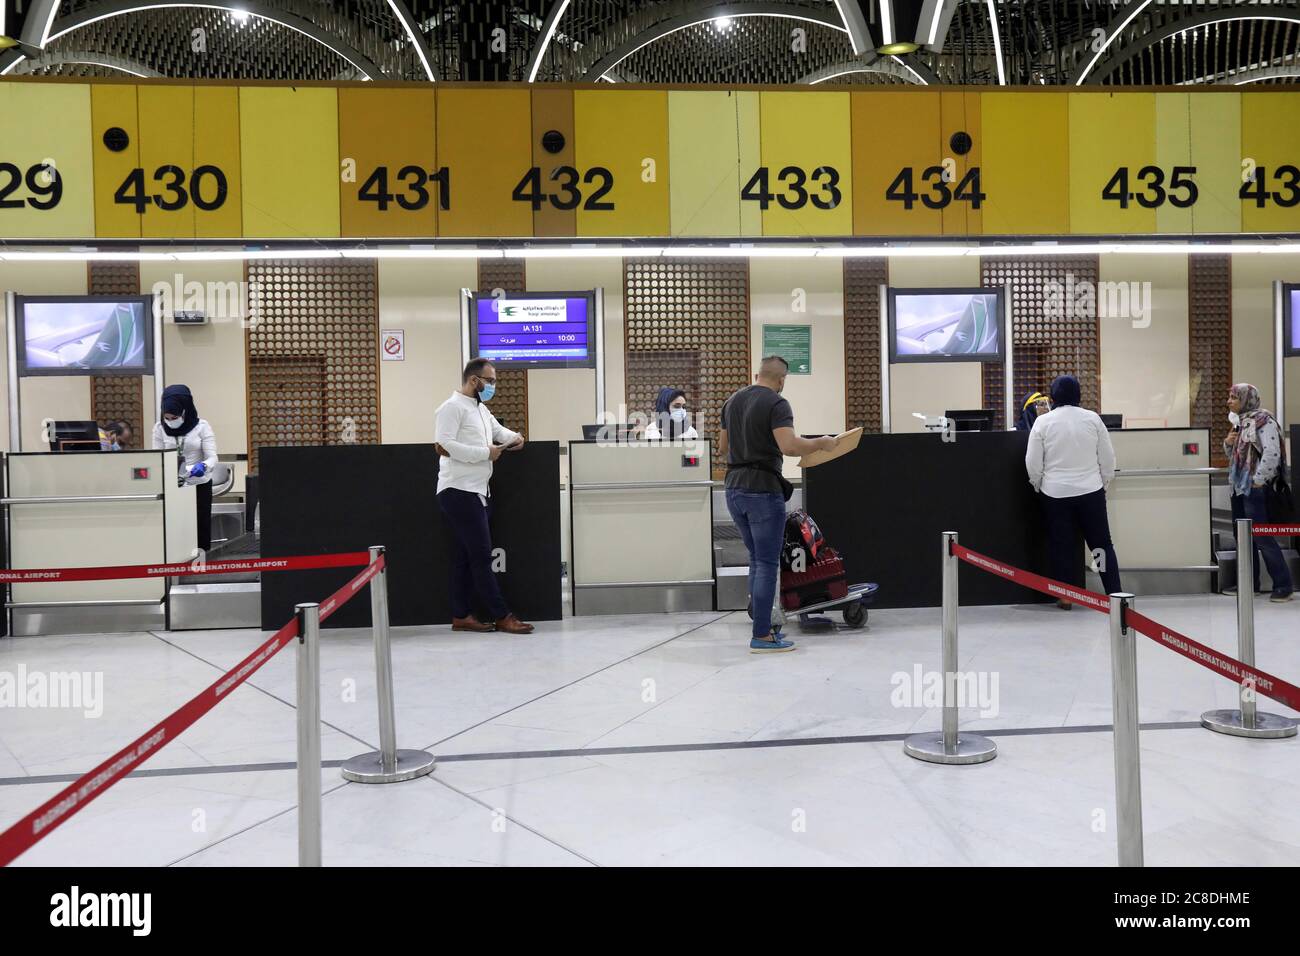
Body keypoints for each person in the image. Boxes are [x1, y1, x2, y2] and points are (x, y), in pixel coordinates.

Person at [720, 356, 837, 653]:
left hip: (733, 489)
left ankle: (766, 627)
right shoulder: (776, 403)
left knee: (756, 559)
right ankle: (762, 634)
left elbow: (723, 448)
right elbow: (789, 445)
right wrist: (820, 442)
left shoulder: (732, 401)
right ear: (782, 379)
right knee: (766, 562)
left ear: (758, 373)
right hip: (762, 490)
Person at [434, 358, 535, 634]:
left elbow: (498, 432)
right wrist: (484, 453)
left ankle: (461, 615)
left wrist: (516, 437)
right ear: (474, 380)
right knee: (480, 557)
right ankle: (502, 615)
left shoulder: (480, 409)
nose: (493, 386)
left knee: (465, 558)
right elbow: (443, 445)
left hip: (477, 491)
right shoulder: (451, 408)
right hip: (459, 492)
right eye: (489, 381)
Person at [1025, 374, 1121, 606]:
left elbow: (1033, 462)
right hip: (1091, 492)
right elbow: (1108, 458)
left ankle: (1065, 595)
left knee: (1061, 545)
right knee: (1101, 544)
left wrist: (1039, 484)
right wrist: (1104, 483)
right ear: (1078, 394)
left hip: (1055, 493)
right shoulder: (1092, 419)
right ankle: (1114, 594)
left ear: (1053, 395)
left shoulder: (1043, 422)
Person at [1224, 383, 1293, 602]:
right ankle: (1249, 584)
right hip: (1238, 487)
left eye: (1234, 398)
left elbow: (1272, 453)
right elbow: (1235, 454)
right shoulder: (1241, 423)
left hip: (1254, 489)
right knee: (1243, 537)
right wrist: (1228, 442)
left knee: (1262, 537)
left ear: (1246, 399)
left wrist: (1258, 481)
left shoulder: (1263, 421)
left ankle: (1284, 585)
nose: (1229, 401)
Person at [151, 385, 217, 552]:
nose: (171, 421)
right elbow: (156, 458)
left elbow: (212, 457)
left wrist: (203, 465)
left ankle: (201, 566)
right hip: (172, 486)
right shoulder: (159, 429)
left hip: (198, 484)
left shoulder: (202, 426)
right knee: (175, 528)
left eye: (175, 417)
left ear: (185, 410)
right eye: (167, 418)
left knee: (199, 526)